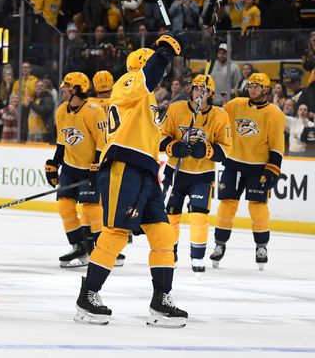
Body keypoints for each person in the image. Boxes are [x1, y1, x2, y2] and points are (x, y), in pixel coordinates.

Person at [75, 31, 190, 328]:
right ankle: (88, 295)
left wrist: (174, 146)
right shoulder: (128, 83)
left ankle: (161, 300)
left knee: (164, 235)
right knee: (115, 232)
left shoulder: (148, 99)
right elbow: (149, 75)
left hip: (146, 172)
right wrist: (163, 51)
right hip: (122, 167)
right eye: (156, 67)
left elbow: (154, 137)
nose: (161, 76)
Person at [212, 73, 285, 270]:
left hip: (258, 167)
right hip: (234, 163)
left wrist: (273, 169)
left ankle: (261, 247)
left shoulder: (275, 114)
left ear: (266, 90)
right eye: (251, 85)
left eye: (257, 86)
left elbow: (277, 145)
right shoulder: (236, 104)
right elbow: (216, 116)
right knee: (226, 206)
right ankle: (219, 244)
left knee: (258, 208)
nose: (252, 89)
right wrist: (207, 101)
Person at [160, 74, 232, 274]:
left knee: (199, 216)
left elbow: (226, 149)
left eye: (204, 89)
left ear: (211, 93)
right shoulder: (175, 109)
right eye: (196, 88)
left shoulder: (220, 115)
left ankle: (197, 256)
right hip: (176, 172)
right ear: (191, 90)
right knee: (171, 216)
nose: (200, 92)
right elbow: (160, 137)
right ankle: (169, 252)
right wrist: (173, 147)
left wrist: (207, 151)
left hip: (202, 173)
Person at [46, 72, 107, 268]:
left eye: (66, 85)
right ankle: (79, 246)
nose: (62, 88)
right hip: (70, 167)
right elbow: (62, 142)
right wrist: (55, 164)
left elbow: (102, 141)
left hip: (90, 168)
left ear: (75, 89)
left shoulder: (94, 110)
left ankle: (103, 250)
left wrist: (97, 165)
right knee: (65, 207)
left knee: (91, 210)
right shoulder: (62, 110)